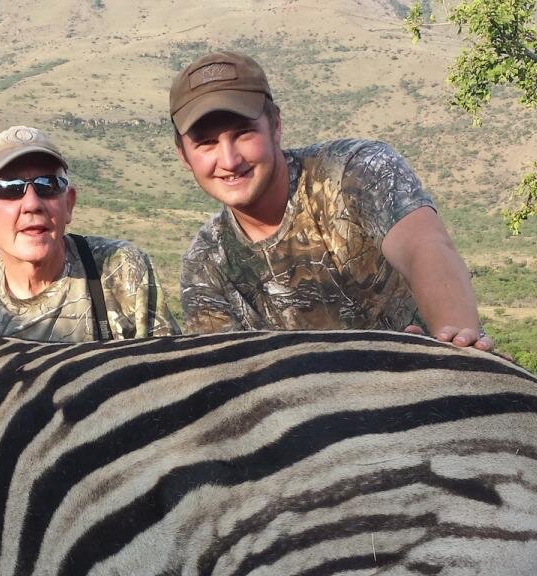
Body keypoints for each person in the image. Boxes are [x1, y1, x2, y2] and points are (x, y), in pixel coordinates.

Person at [169, 51, 494, 352]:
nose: (229, 159)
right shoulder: (205, 265)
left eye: (244, 133)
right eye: (207, 143)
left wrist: (456, 340)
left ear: (276, 125)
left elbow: (424, 246)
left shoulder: (356, 170)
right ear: (183, 155)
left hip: (420, 379)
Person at [0, 125, 178, 341]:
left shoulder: (121, 271)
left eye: (47, 185)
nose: (32, 204)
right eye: (9, 188)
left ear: (68, 204)